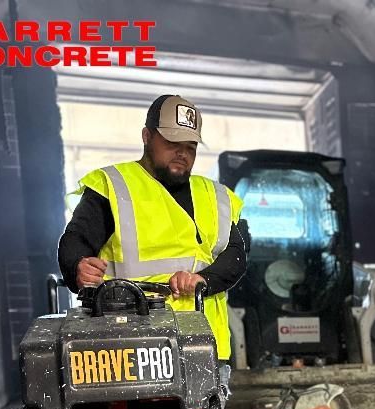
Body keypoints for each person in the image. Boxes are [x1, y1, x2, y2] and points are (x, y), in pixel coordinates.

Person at [58, 94, 246, 360]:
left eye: (190, 145)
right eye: (172, 142)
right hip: (128, 345)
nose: (182, 152)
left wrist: (204, 280)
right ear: (147, 136)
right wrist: (78, 266)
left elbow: (235, 255)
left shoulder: (215, 196)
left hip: (202, 345)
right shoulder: (114, 186)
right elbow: (76, 238)